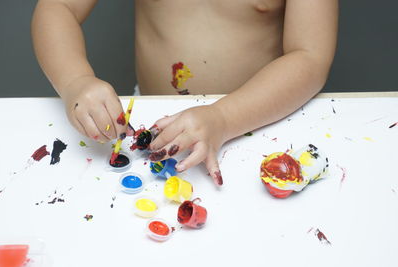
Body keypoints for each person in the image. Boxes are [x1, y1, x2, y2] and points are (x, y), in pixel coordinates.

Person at [31, 0, 338, 186]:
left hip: (257, 124)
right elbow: (58, 7)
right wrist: (75, 80)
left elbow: (309, 56)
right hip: (157, 129)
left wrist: (223, 117)